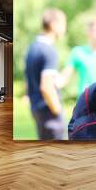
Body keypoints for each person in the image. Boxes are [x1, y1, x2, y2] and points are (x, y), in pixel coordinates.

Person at [25, 8, 66, 140]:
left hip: (37, 111)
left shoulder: (32, 48)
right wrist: (57, 111)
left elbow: (29, 80)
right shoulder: (49, 50)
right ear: (53, 24)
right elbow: (46, 87)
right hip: (50, 114)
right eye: (63, 24)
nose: (65, 28)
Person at [57, 16, 96, 95]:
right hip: (85, 100)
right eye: (94, 30)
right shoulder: (78, 52)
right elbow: (63, 78)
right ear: (88, 32)